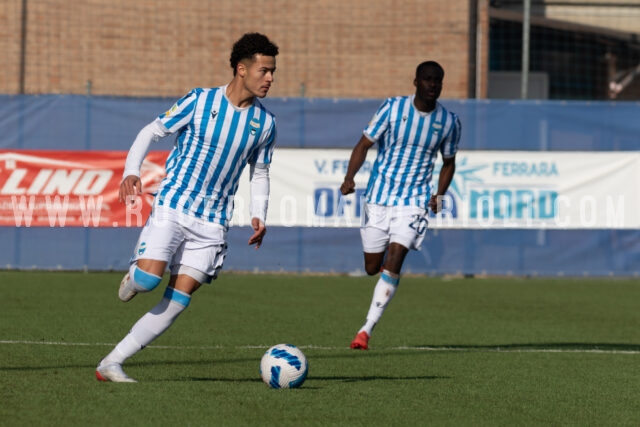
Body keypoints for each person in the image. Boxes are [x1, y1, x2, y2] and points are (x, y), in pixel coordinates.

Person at [95, 32, 279, 382]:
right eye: (264, 71)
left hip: (213, 223)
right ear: (241, 69)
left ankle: (111, 363)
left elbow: (260, 172)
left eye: (273, 71)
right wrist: (131, 171)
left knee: (179, 301)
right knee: (148, 280)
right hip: (174, 205)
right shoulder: (200, 100)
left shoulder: (266, 124)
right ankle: (135, 277)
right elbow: (151, 131)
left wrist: (260, 213)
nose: (270, 78)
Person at [340, 61, 461, 350]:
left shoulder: (449, 122)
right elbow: (363, 145)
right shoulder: (393, 108)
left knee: (395, 258)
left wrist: (440, 194)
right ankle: (384, 277)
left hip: (414, 201)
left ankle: (365, 330)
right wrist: (349, 177)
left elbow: (449, 163)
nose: (433, 85)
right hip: (379, 197)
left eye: (438, 81)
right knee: (372, 267)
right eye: (428, 79)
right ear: (416, 81)